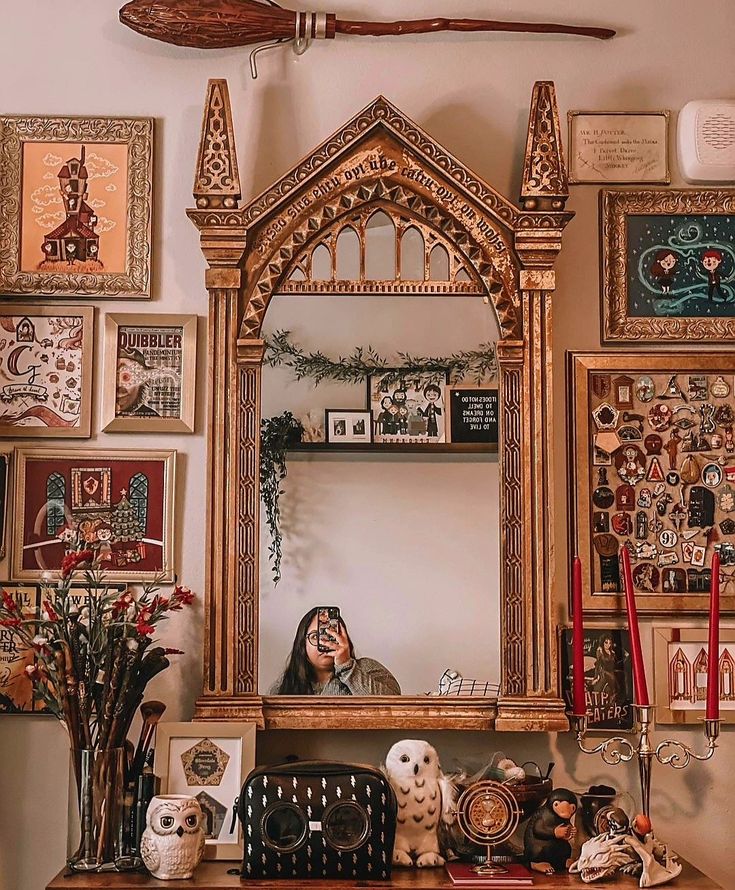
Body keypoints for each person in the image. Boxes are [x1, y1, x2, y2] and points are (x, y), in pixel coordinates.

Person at [271, 608, 401, 695]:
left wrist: (347, 667)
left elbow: (395, 704)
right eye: (315, 636)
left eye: (332, 635)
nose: (325, 643)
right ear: (302, 645)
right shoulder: (285, 683)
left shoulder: (367, 668)